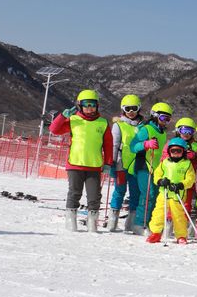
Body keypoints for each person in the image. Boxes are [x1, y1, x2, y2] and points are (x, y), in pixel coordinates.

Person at [49, 89, 113, 233]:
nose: (89, 108)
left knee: (94, 196)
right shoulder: (73, 120)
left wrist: (108, 163)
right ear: (79, 105)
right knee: (74, 193)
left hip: (94, 166)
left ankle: (92, 224)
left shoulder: (102, 123)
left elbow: (108, 145)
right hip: (75, 163)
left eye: (93, 104)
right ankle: (71, 222)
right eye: (86, 104)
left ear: (97, 105)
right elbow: (54, 130)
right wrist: (62, 117)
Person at [129, 102, 173, 235]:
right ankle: (139, 224)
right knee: (148, 195)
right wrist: (145, 144)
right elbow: (133, 146)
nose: (166, 121)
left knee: (155, 196)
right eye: (163, 118)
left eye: (168, 119)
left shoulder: (162, 133)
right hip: (144, 166)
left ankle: (150, 223)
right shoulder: (146, 129)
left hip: (156, 168)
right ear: (155, 116)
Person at [145, 138, 196, 244]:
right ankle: (156, 233)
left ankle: (181, 235)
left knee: (178, 216)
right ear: (169, 152)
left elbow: (190, 179)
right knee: (158, 213)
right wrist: (160, 181)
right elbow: (157, 174)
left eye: (179, 151)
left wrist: (181, 185)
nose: (176, 153)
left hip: (178, 194)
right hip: (164, 193)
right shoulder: (165, 163)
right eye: (173, 151)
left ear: (184, 152)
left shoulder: (187, 164)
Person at [108, 94, 144, 233]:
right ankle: (113, 222)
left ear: (138, 108)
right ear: (123, 109)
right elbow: (114, 144)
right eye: (127, 109)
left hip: (136, 166)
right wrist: (111, 162)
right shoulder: (119, 125)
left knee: (135, 193)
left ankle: (130, 224)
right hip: (121, 165)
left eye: (134, 108)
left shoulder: (143, 126)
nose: (131, 112)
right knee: (119, 191)